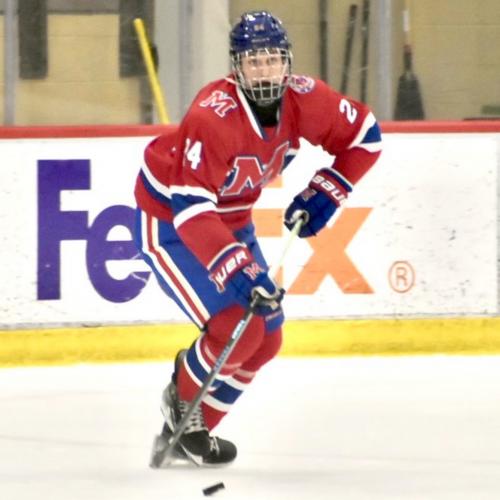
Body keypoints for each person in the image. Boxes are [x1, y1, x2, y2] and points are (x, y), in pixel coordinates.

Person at [134, 10, 382, 467]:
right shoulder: (213, 115)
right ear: (237, 67)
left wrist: (329, 189)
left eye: (272, 60)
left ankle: (190, 433)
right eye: (254, 62)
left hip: (231, 220)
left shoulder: (306, 99)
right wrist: (238, 267)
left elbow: (365, 136)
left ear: (287, 62)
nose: (264, 71)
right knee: (240, 326)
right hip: (171, 223)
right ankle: (180, 399)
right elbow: (191, 209)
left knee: (266, 337)